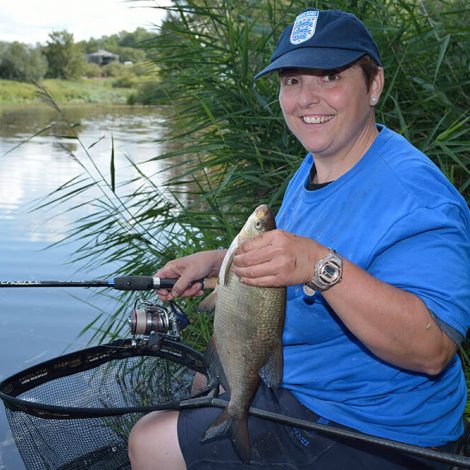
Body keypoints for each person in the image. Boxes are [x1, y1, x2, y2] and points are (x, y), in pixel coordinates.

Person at [128, 8, 470, 469]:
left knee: (149, 441)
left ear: (373, 86)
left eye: (329, 76)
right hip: (306, 385)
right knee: (202, 380)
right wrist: (221, 264)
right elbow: (293, 264)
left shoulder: (417, 198)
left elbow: (432, 350)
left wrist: (319, 266)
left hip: (372, 428)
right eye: (291, 80)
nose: (306, 98)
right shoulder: (321, 163)